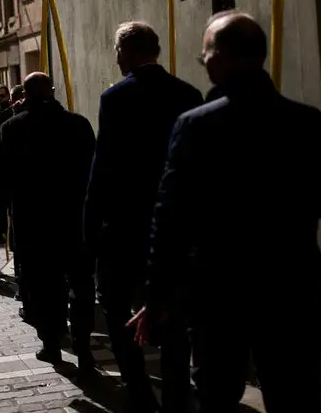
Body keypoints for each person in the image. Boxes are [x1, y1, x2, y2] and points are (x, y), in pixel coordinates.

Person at [130, 12, 321, 413]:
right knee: (296, 398)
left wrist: (157, 294)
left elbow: (170, 219)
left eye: (205, 55)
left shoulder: (195, 126)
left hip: (218, 293)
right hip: (292, 287)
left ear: (221, 58)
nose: (203, 62)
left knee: (217, 398)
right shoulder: (307, 122)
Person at [85, 22, 203, 412]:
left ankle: (138, 389)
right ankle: (176, 395)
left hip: (125, 223)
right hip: (175, 225)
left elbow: (104, 166)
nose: (116, 58)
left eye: (117, 51)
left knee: (117, 307)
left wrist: (90, 226)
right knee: (175, 316)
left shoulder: (115, 98)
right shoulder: (188, 94)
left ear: (127, 51)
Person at [0, 72, 96, 368]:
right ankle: (83, 347)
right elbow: (96, 174)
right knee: (81, 284)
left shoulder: (12, 129)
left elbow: (0, 180)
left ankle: (51, 344)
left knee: (43, 286)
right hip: (74, 218)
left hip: (33, 222)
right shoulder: (78, 124)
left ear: (24, 95)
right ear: (52, 91)